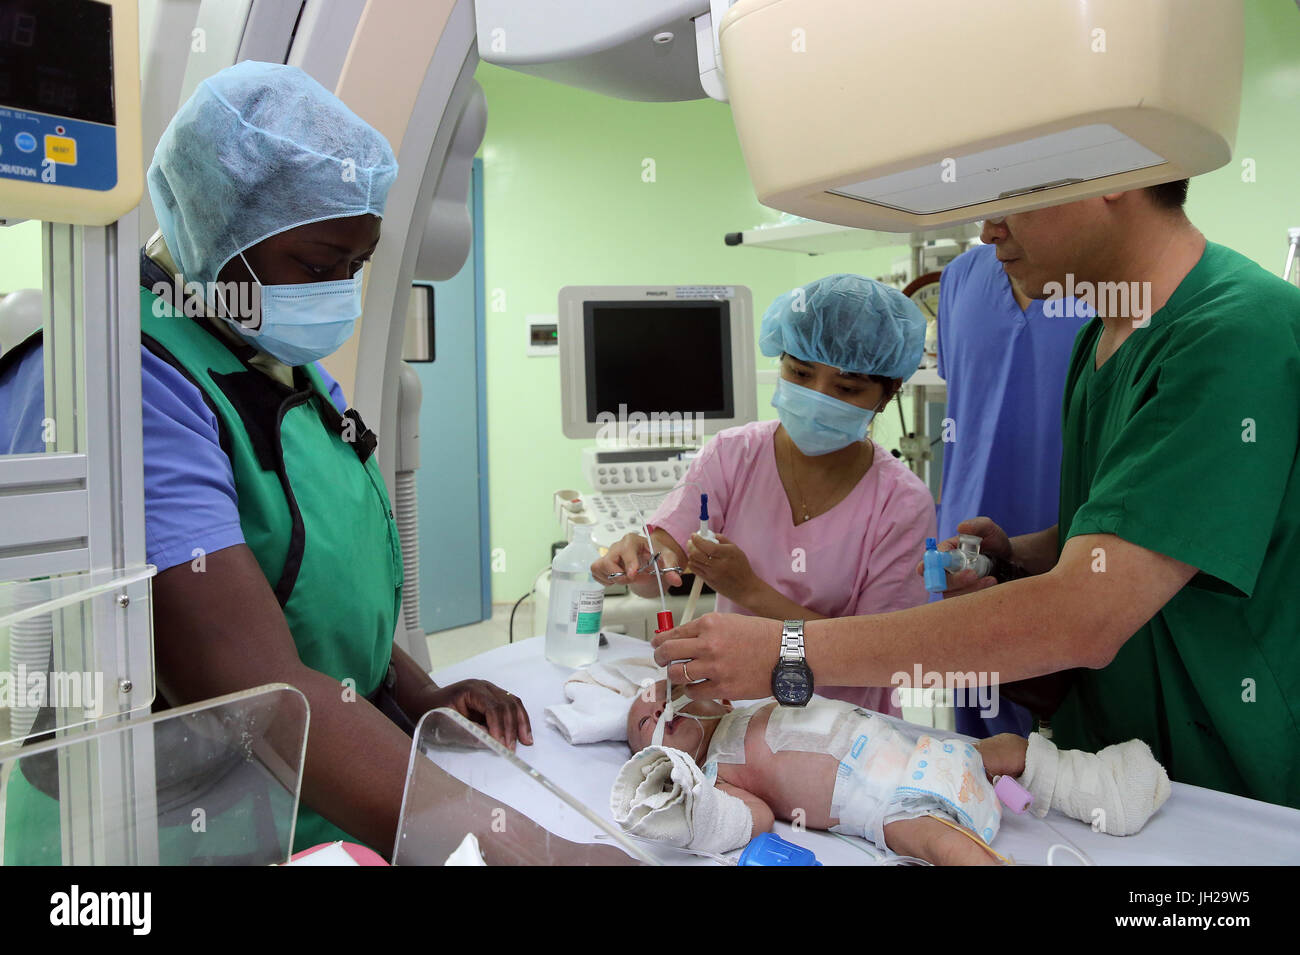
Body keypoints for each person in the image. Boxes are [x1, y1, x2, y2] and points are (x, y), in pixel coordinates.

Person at [0, 62, 531, 862]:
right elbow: (255, 692)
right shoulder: (118, 376)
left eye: (358, 265)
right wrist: (539, 851)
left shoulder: (273, 359)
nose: (341, 293)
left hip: (314, 814)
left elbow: (306, 580)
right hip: (170, 839)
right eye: (318, 267)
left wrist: (419, 693)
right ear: (218, 230)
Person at [651, 181, 1300, 810]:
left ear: (1112, 173)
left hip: (1233, 779)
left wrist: (785, 649)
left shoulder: (1234, 333)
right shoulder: (1100, 339)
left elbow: (1087, 615)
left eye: (1012, 201)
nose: (989, 232)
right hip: (1109, 766)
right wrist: (1023, 554)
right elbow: (1136, 531)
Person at [592, 274, 935, 714]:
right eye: (800, 373)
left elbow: (875, 658)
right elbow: (664, 559)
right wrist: (640, 561)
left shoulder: (901, 504)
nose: (817, 397)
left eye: (846, 388)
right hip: (734, 714)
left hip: (846, 730)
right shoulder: (733, 455)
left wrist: (750, 591)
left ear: (887, 395)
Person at [615, 681, 1169, 863]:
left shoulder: (752, 699)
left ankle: (1094, 785)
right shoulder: (718, 773)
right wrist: (693, 808)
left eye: (663, 695)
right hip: (888, 805)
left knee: (1002, 747)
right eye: (646, 724)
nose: (659, 709)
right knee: (940, 845)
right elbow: (754, 820)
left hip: (933, 753)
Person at [934, 242, 1091, 738]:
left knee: (1077, 761)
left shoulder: (1111, 280)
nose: (990, 225)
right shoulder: (960, 279)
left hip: (1079, 543)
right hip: (970, 541)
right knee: (978, 760)